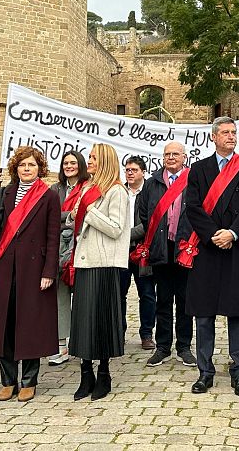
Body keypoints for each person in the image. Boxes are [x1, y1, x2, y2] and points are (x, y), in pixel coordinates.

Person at [183, 117, 239, 397]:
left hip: (238, 249)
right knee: (203, 314)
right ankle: (205, 372)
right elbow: (192, 208)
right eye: (225, 133)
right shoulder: (198, 169)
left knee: (238, 313)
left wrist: (232, 233)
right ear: (213, 137)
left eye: (233, 133)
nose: (231, 137)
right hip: (208, 249)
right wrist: (215, 234)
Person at [0, 146, 60, 402]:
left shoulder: (48, 196)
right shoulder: (7, 192)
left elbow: (52, 236)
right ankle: (8, 381)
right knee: (5, 322)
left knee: (30, 324)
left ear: (40, 169)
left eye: (32, 165)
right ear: (16, 169)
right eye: (22, 165)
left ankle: (29, 380)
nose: (27, 169)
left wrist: (49, 270)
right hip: (5, 266)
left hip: (34, 269)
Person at [67, 143, 129, 401]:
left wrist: (89, 211)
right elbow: (75, 219)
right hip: (84, 260)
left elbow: (115, 228)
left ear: (103, 160)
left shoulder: (117, 191)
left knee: (102, 320)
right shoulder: (87, 188)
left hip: (104, 263)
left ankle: (104, 372)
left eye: (92, 157)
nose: (88, 161)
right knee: (82, 322)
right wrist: (74, 214)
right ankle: (85, 373)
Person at [133, 142, 196, 368]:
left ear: (184, 157)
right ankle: (163, 346)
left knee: (185, 300)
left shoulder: (193, 180)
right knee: (163, 299)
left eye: (175, 154)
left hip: (184, 248)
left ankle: (184, 346)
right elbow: (143, 213)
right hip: (160, 248)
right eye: (167, 154)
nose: (171, 158)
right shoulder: (152, 183)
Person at [48, 150, 89, 365]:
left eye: (73, 163)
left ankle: (82, 343)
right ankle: (61, 345)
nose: (69, 166)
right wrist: (69, 216)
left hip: (82, 244)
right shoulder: (55, 189)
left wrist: (71, 217)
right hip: (58, 247)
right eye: (65, 163)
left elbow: (86, 214)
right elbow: (50, 215)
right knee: (60, 296)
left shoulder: (88, 187)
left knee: (83, 296)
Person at [120, 155, 156, 350]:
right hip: (121, 252)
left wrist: (125, 235)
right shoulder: (119, 191)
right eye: (127, 170)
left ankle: (147, 334)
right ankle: (119, 332)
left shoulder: (149, 192)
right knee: (119, 295)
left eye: (134, 170)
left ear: (143, 172)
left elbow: (150, 221)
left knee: (148, 294)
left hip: (143, 250)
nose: (130, 173)